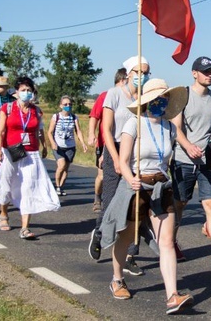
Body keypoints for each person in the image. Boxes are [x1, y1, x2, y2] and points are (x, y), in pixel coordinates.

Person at [100, 78, 194, 314]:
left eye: (165, 98)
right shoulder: (134, 124)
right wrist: (130, 177)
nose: (161, 102)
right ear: (147, 101)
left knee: (167, 242)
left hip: (161, 187)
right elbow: (122, 160)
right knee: (125, 238)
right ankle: (117, 279)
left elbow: (173, 155)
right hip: (135, 187)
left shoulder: (170, 127)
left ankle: (172, 295)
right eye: (157, 99)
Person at [89, 56, 154, 277]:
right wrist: (115, 159)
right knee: (111, 201)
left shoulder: (146, 98)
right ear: (128, 74)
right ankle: (100, 233)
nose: (142, 76)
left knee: (136, 206)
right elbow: (106, 129)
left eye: (146, 72)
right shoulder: (113, 95)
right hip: (115, 148)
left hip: (136, 151)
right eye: (139, 72)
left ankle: (130, 255)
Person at [170, 56, 211, 269]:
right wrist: (188, 146)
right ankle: (170, 241)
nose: (209, 74)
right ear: (194, 73)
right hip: (183, 159)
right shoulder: (183, 95)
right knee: (179, 203)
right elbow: (176, 128)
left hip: (207, 161)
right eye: (205, 71)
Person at [0, 76, 59, 239]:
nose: (26, 93)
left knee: (29, 187)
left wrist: (44, 146)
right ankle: (3, 213)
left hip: (31, 153)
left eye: (29, 90)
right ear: (16, 92)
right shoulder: (7, 108)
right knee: (7, 183)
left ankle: (25, 227)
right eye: (23, 90)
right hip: (11, 151)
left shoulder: (36, 111)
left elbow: (40, 130)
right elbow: (0, 131)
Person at [89, 68, 128, 212]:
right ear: (123, 80)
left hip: (123, 144)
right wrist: (91, 134)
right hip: (104, 142)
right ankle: (98, 197)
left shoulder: (131, 98)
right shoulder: (107, 95)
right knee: (102, 175)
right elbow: (95, 116)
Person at [47, 95, 87, 196]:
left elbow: (78, 131)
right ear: (60, 105)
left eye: (69, 104)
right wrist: (52, 143)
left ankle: (60, 187)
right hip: (58, 146)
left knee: (66, 168)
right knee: (61, 165)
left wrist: (82, 143)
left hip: (70, 146)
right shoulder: (56, 117)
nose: (68, 106)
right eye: (65, 104)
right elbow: (49, 132)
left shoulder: (74, 117)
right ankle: (57, 186)